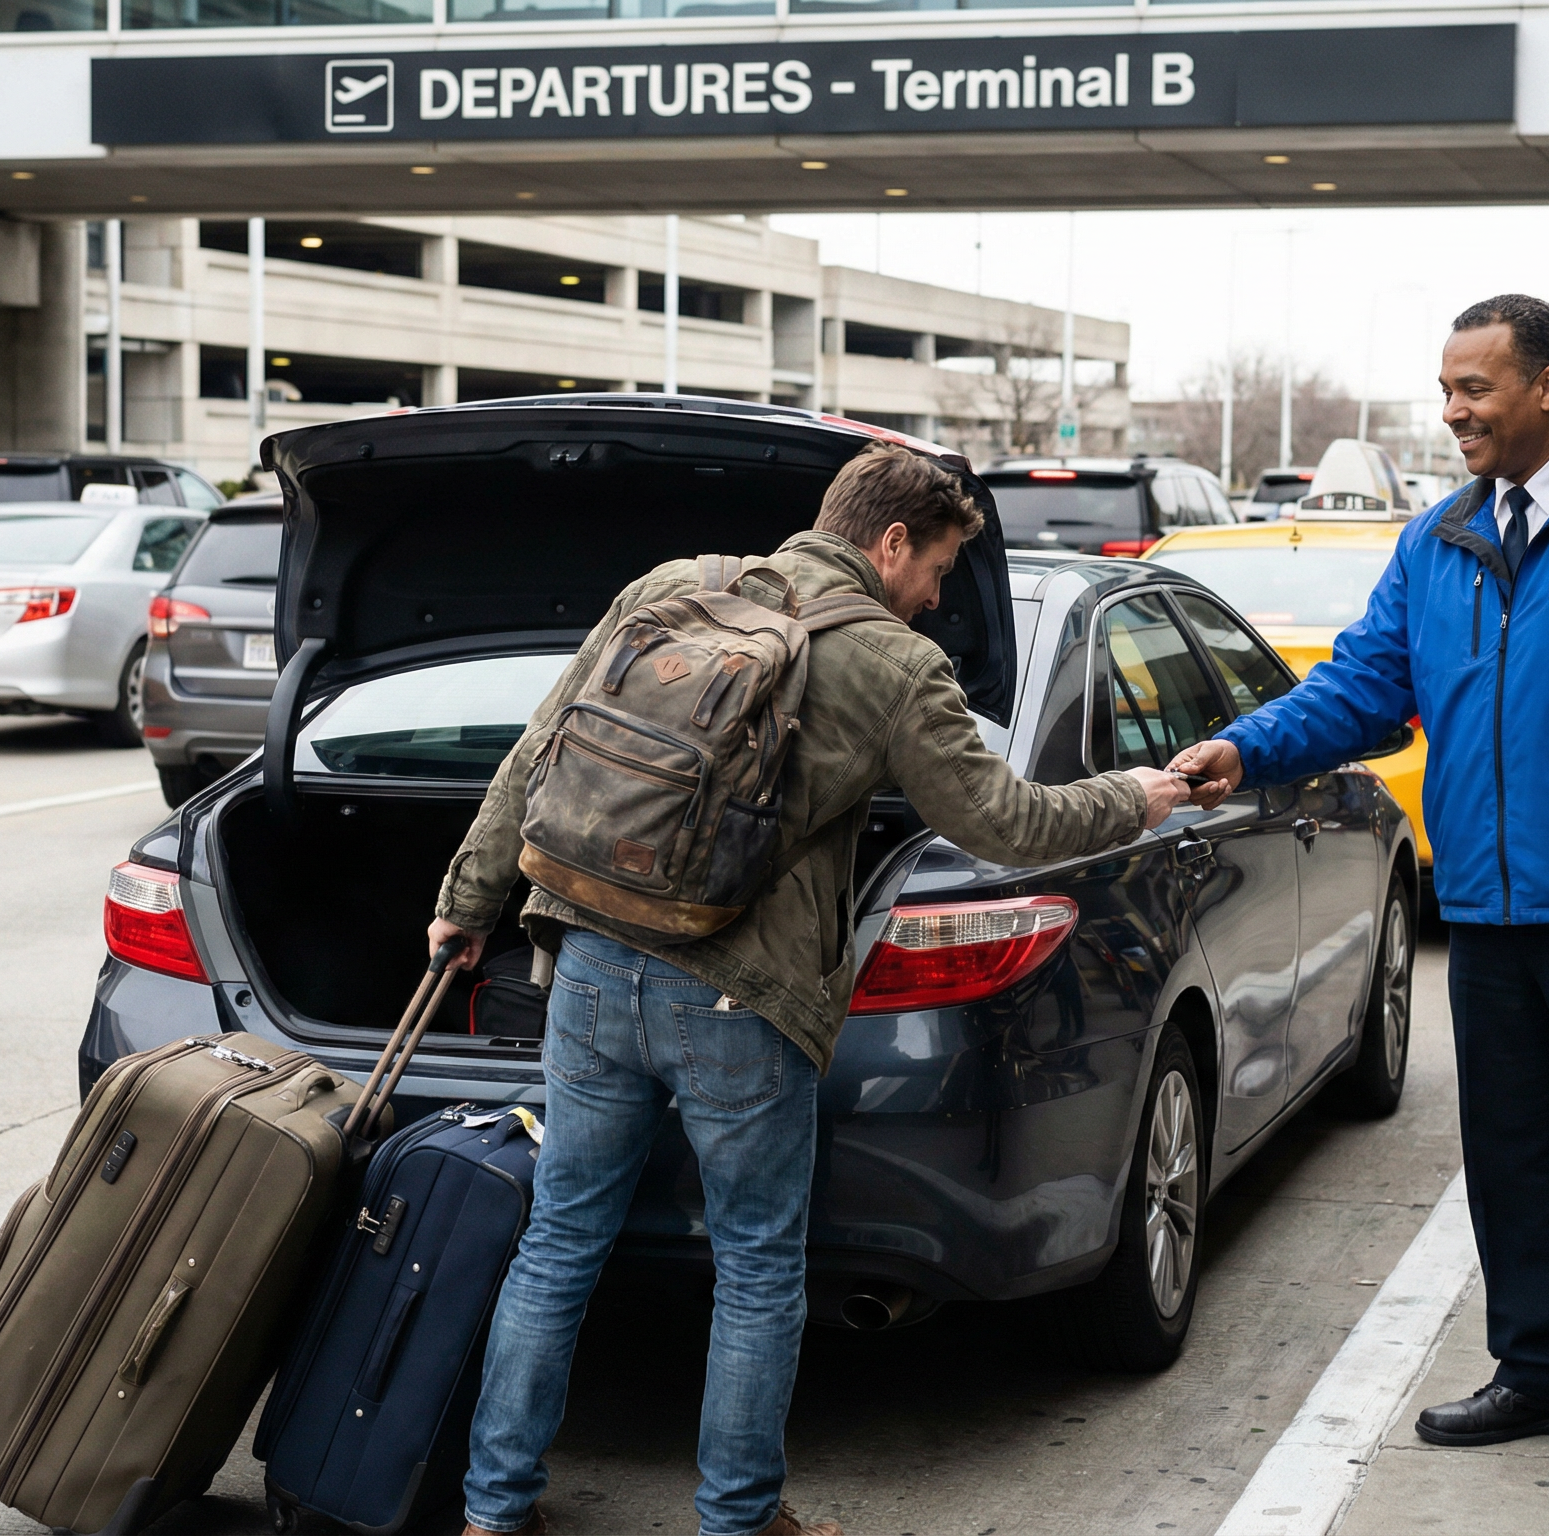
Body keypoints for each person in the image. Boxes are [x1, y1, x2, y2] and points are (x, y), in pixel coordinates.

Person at [428, 445, 1189, 1536]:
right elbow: (1006, 825)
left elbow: (538, 753)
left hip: (588, 960)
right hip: (738, 996)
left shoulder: (668, 587)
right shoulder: (891, 663)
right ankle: (738, 1519)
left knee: (561, 1242)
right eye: (935, 569)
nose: (935, 597)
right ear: (888, 544)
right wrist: (1135, 796)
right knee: (755, 1268)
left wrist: (467, 900)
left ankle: (490, 1512)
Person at [1168, 295, 1549, 1507]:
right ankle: (1543, 1368)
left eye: (1473, 389)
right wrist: (1244, 750)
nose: (1450, 412)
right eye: (1446, 391)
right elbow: (1363, 689)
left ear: (1547, 387)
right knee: (1512, 1156)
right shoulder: (1442, 537)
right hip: (1493, 910)